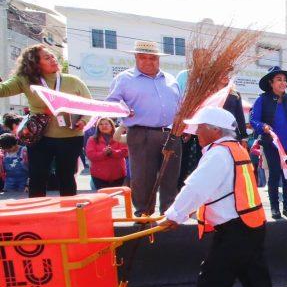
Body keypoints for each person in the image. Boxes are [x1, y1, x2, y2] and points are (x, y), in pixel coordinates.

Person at [159, 107, 281, 287]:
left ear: (214, 130)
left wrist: (173, 215)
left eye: (200, 127)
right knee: (256, 280)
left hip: (234, 230)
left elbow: (196, 188)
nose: (196, 131)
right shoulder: (236, 149)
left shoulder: (218, 154)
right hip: (252, 223)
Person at [0, 45, 92, 197]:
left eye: (53, 56)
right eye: (47, 58)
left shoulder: (73, 81)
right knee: (37, 178)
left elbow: (89, 105)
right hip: (39, 137)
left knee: (67, 177)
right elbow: (3, 90)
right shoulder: (25, 80)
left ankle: (68, 215)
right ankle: (37, 216)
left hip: (70, 137)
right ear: (35, 63)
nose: (53, 59)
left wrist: (84, 120)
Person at [106, 40, 182, 215]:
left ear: (159, 59)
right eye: (143, 57)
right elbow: (110, 103)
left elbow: (180, 105)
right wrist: (123, 110)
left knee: (170, 176)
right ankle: (143, 214)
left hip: (171, 133)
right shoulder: (124, 79)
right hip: (141, 134)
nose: (148, 61)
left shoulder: (171, 80)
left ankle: (168, 214)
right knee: (143, 177)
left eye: (153, 58)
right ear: (135, 58)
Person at [250, 66, 287, 220]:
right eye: (279, 79)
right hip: (271, 145)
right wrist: (263, 127)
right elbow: (253, 120)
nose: (283, 83)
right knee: (274, 175)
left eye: (284, 80)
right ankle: (275, 208)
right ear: (271, 83)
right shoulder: (262, 99)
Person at [85, 117, 129, 189]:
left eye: (106, 124)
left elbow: (125, 152)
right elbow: (90, 155)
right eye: (101, 124)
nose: (104, 126)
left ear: (112, 125)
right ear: (97, 127)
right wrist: (103, 153)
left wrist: (113, 152)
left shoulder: (119, 137)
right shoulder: (92, 139)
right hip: (99, 176)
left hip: (118, 175)